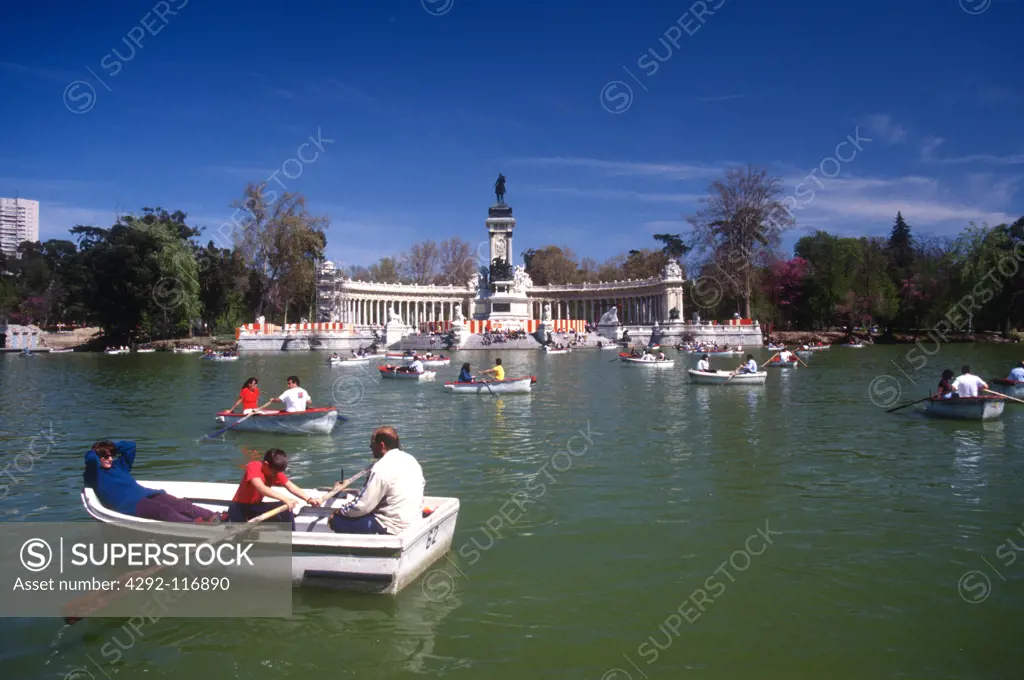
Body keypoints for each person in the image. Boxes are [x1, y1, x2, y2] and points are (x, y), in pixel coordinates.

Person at [84, 441, 218, 522]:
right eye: (105, 456)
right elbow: (90, 459)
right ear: (98, 457)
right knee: (164, 511)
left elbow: (130, 447)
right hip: (131, 505)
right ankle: (195, 526)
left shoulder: (118, 466)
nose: (110, 459)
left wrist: (111, 447)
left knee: (181, 504)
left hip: (146, 494)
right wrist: (96, 452)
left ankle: (213, 516)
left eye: (112, 455)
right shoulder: (94, 474)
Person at [329, 427, 425, 535]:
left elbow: (362, 506)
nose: (370, 447)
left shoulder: (381, 467)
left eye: (372, 443)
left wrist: (340, 511)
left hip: (393, 527)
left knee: (336, 520)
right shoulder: (411, 460)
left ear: (382, 445)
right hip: (413, 522)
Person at [227, 448, 321, 528]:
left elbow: (291, 486)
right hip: (239, 508)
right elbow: (261, 488)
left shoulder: (274, 472)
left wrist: (309, 499)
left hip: (256, 507)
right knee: (241, 537)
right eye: (274, 472)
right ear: (265, 464)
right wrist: (286, 499)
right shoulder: (254, 466)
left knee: (285, 507)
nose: (276, 475)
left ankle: (291, 536)